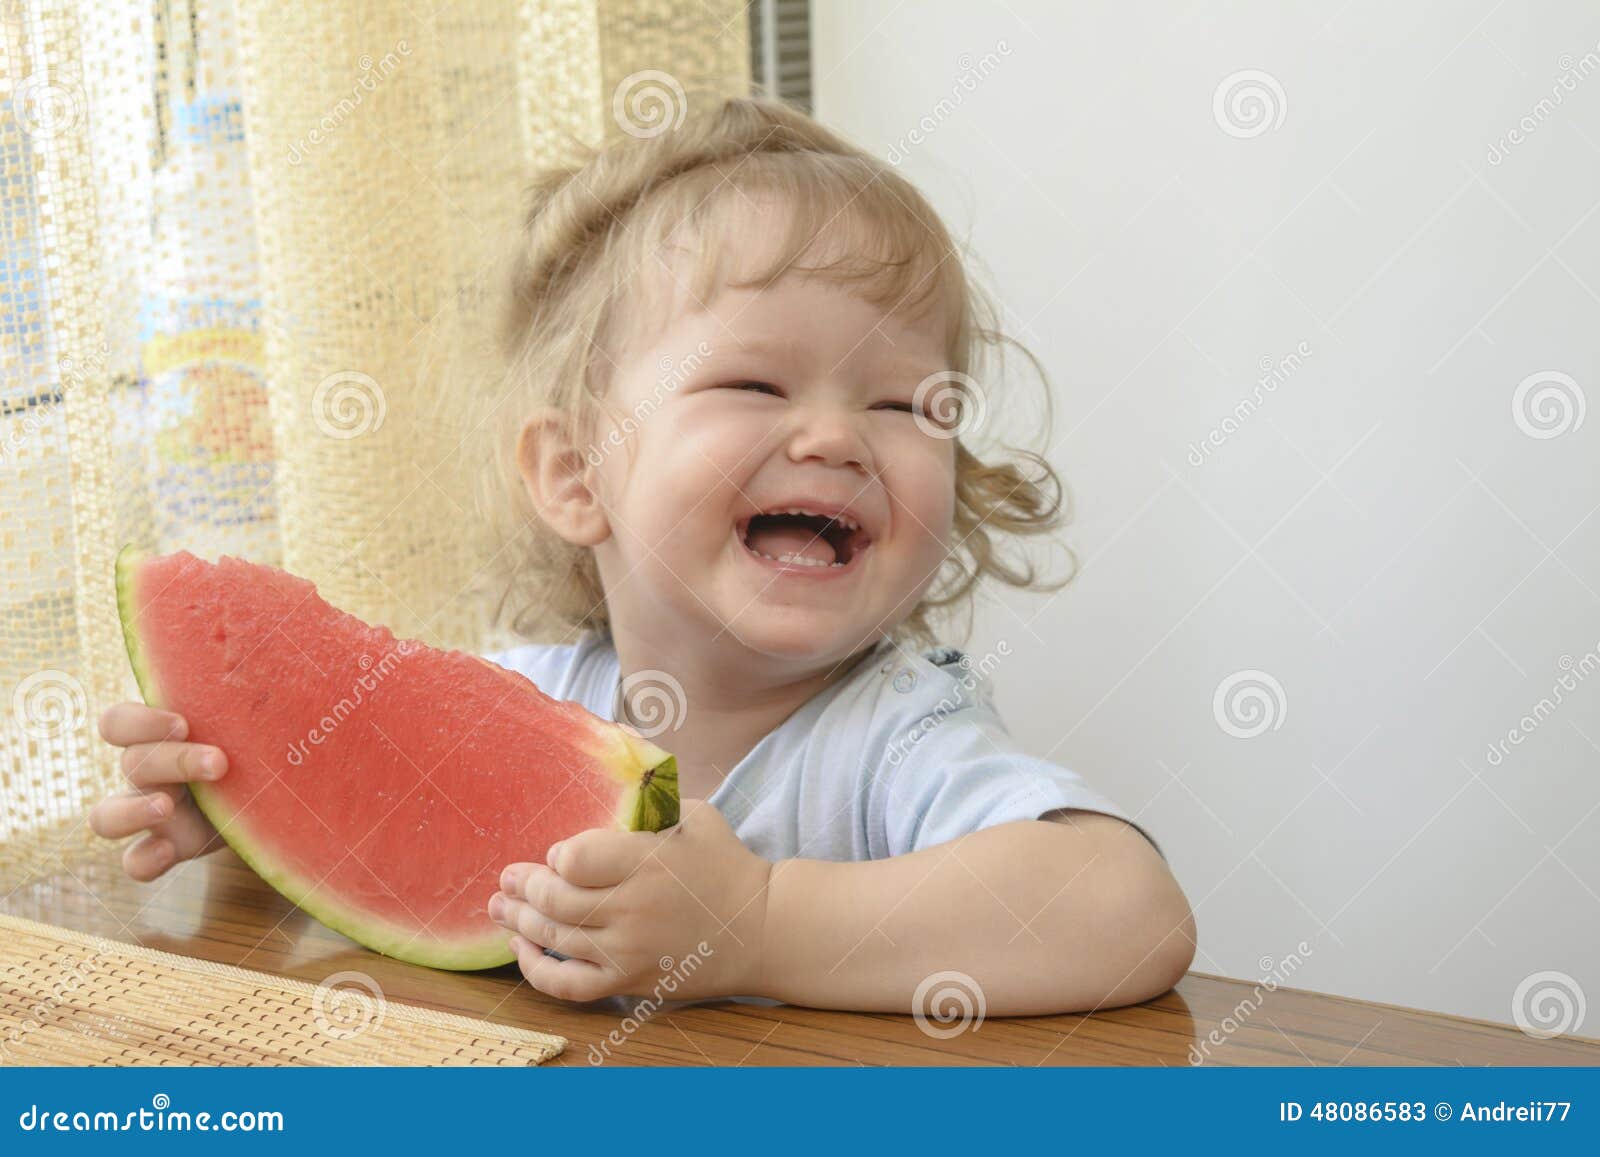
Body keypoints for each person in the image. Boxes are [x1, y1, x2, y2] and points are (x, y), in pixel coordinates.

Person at [92, 96, 1195, 1016]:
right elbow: (399, 870)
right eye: (756, 384)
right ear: (577, 474)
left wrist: (757, 922)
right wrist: (258, 805)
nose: (836, 436)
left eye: (907, 401)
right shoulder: (529, 694)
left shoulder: (896, 735)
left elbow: (1127, 909)